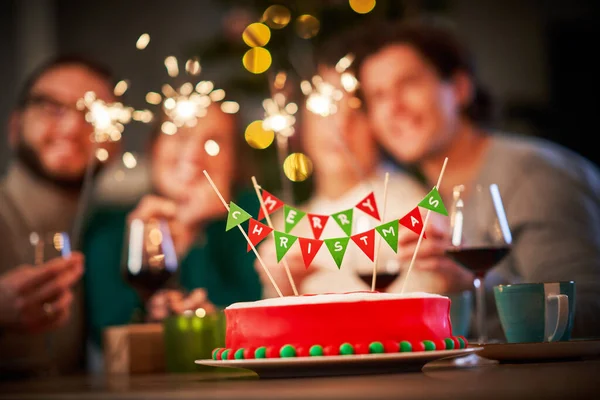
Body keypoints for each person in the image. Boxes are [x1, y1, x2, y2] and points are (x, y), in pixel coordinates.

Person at [350, 18, 600, 339]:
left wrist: (472, 281)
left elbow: (589, 312)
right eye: (378, 96)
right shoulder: (426, 196)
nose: (394, 107)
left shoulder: (535, 175)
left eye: (408, 84)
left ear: (459, 88)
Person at [255, 34, 447, 298]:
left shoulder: (412, 211)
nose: (341, 127)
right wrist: (285, 289)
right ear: (302, 124)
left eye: (355, 111)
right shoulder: (286, 224)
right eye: (326, 110)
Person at [83, 102, 263, 362]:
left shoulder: (253, 223)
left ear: (234, 161)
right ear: (152, 147)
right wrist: (145, 246)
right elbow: (107, 333)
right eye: (180, 135)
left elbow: (254, 323)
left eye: (214, 141)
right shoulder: (109, 231)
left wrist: (194, 233)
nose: (193, 154)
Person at [0, 55, 119, 378]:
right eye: (51, 108)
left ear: (114, 141)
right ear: (14, 126)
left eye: (92, 114)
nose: (71, 127)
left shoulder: (111, 231)